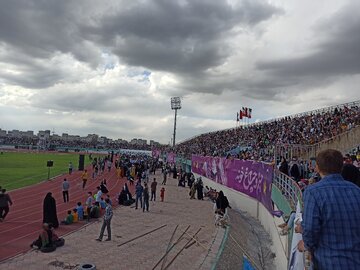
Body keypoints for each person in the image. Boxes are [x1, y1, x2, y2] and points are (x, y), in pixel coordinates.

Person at [300, 149, 360, 269]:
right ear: (341, 166)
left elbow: (310, 230)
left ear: (317, 168)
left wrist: (307, 246)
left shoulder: (313, 192)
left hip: (327, 263)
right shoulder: (356, 190)